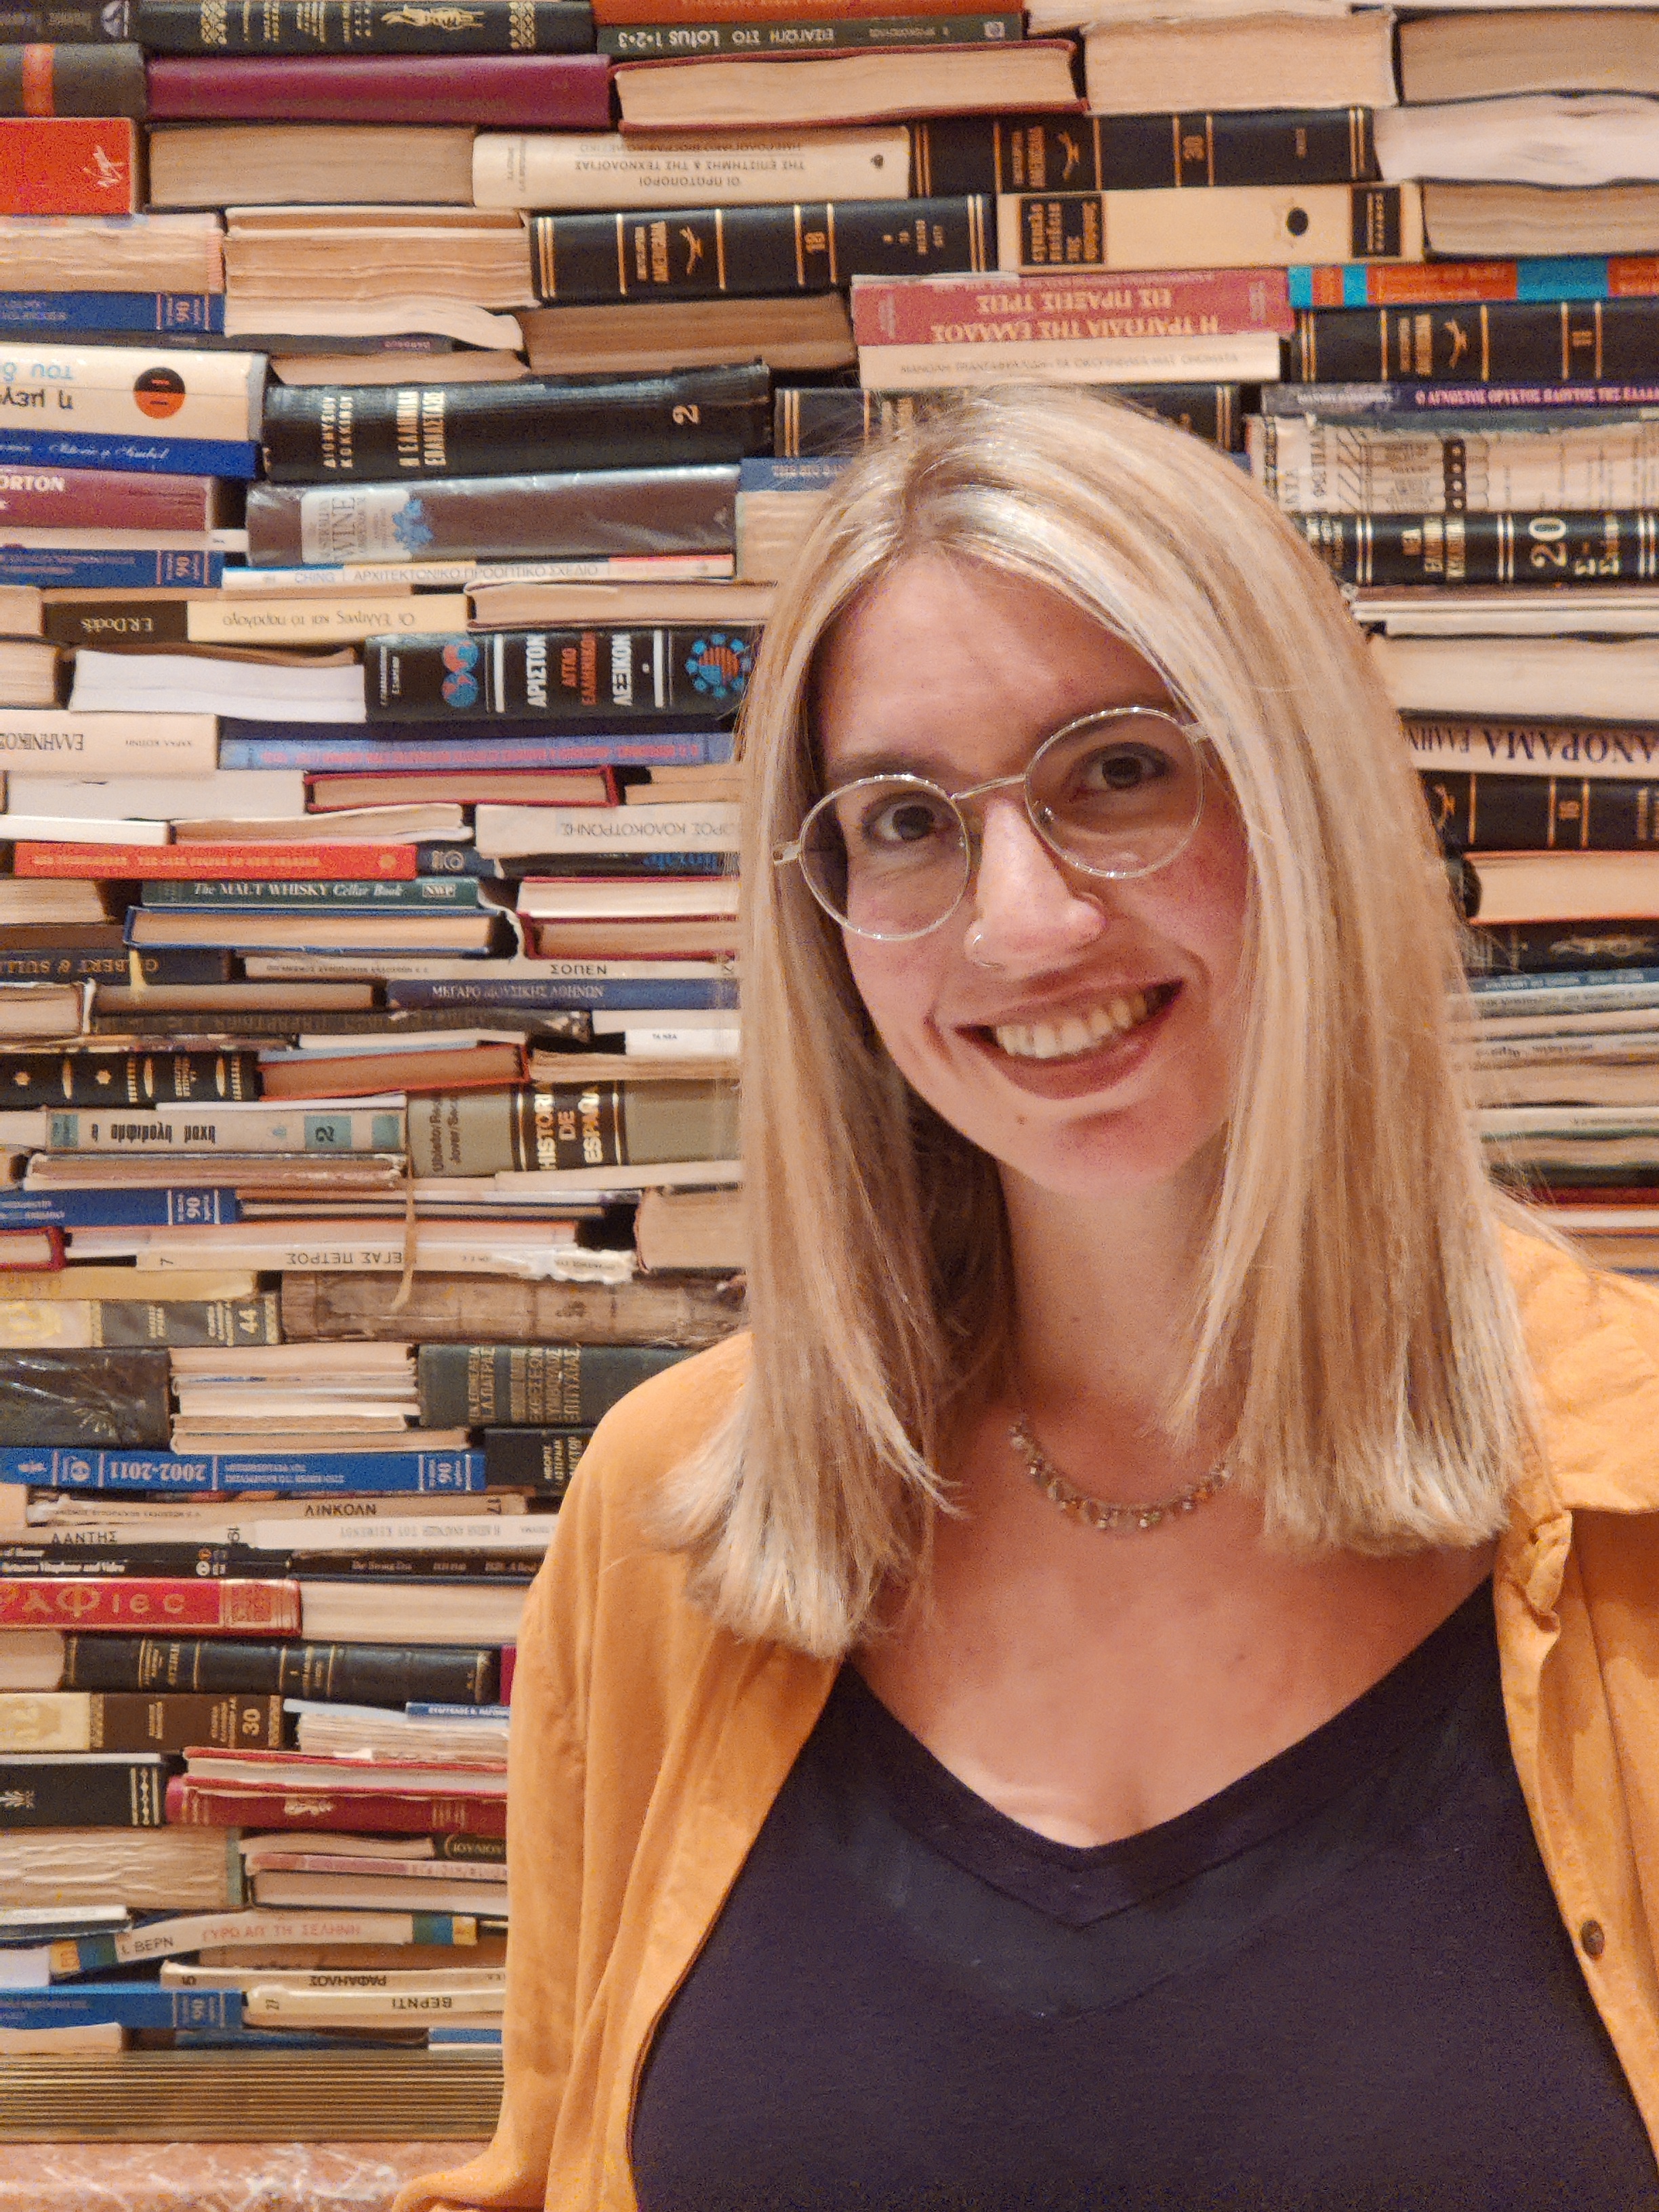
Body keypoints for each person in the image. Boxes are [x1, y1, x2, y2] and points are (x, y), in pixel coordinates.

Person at [393, 388, 1659, 2212]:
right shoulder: (677, 1520)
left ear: (1306, 793)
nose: (1023, 922)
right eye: (907, 818)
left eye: (1120, 771)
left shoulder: (1630, 1504)